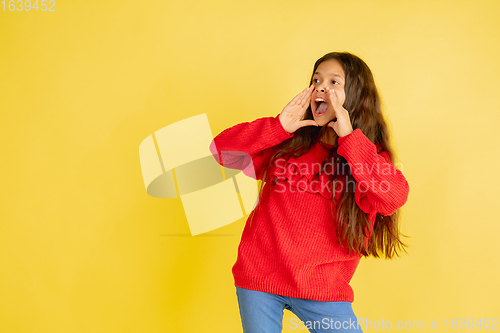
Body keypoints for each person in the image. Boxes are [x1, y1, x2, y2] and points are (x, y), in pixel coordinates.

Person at [209, 52, 410, 333]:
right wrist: (278, 126)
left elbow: (393, 198)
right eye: (316, 80)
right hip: (259, 281)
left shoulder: (368, 157)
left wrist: (350, 139)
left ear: (354, 96)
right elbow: (220, 151)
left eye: (333, 82)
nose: (321, 88)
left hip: (323, 290)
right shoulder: (287, 142)